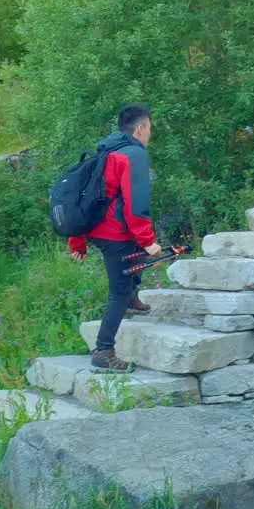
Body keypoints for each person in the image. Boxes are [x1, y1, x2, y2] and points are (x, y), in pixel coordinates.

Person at [68, 104, 162, 371]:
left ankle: (132, 293)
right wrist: (146, 239)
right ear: (140, 128)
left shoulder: (107, 152)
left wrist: (78, 241)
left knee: (136, 261)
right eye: (150, 130)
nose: (149, 135)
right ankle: (104, 351)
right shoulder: (133, 155)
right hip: (115, 234)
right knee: (118, 290)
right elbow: (136, 203)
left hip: (100, 230)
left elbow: (88, 198)